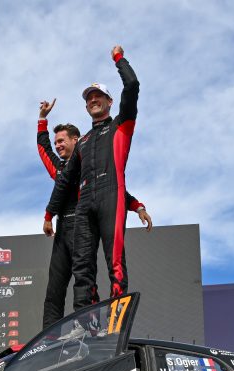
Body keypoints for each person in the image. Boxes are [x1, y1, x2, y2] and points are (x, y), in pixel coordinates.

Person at [38, 99, 151, 328]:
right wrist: (42, 120)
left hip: (82, 226)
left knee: (85, 277)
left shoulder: (88, 163)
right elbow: (44, 150)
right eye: (56, 142)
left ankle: (91, 327)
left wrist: (137, 206)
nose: (58, 145)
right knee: (54, 288)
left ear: (76, 140)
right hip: (63, 230)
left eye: (62, 141)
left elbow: (113, 190)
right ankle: (49, 339)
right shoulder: (59, 169)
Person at [46, 44, 140, 309]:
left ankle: (116, 317)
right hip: (85, 203)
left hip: (112, 194)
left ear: (109, 101)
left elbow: (132, 85)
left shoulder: (121, 125)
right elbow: (65, 181)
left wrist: (119, 59)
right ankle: (86, 322)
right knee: (82, 266)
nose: (93, 100)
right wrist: (49, 213)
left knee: (115, 261)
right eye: (89, 98)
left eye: (98, 96)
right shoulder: (83, 142)